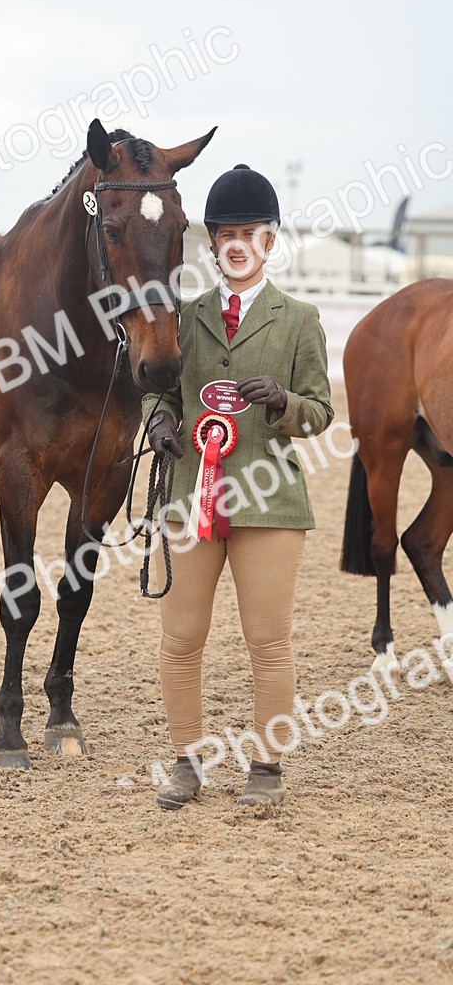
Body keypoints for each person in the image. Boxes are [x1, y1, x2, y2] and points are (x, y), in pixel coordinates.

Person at [142, 163, 333, 810]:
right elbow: (162, 392)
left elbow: (320, 411)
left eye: (248, 231)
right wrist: (163, 420)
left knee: (269, 642)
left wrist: (283, 400)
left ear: (269, 240)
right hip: (193, 497)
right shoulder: (186, 316)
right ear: (213, 240)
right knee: (181, 640)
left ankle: (267, 767)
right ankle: (186, 763)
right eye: (224, 231)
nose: (236, 242)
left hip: (271, 502)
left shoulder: (299, 320)